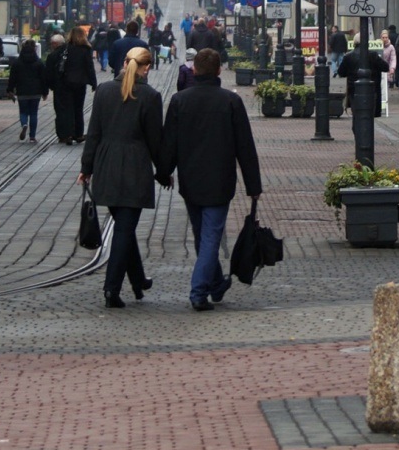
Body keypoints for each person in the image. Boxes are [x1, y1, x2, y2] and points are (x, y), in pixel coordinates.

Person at [157, 48, 262, 311]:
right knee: (210, 236)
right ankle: (199, 290)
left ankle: (215, 284)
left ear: (194, 70)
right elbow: (244, 147)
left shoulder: (180, 100)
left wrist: (164, 171)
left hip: (190, 180)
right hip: (219, 180)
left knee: (203, 235)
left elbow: (169, 142)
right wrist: (253, 186)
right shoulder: (230, 102)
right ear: (218, 71)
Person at [79, 47, 164, 308]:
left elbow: (93, 133)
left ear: (124, 63)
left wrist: (87, 168)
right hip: (135, 169)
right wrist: (163, 171)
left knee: (124, 228)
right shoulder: (150, 96)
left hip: (106, 166)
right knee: (124, 230)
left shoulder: (103, 91)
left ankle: (138, 280)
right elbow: (155, 140)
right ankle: (111, 289)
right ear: (146, 68)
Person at [56, 27, 98, 144]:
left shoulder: (66, 48)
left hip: (67, 81)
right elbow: (90, 67)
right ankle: (78, 134)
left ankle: (68, 134)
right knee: (78, 108)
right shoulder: (86, 49)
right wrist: (93, 82)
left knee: (68, 108)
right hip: (80, 83)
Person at [7, 38, 48, 143]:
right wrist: (45, 92)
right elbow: (44, 78)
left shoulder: (17, 63)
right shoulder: (39, 63)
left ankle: (24, 124)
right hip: (36, 92)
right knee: (34, 113)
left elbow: (12, 78)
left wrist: (10, 90)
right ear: (34, 49)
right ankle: (32, 137)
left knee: (23, 111)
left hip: (22, 91)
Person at [43, 34, 69, 140]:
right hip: (69, 85)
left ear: (55, 44)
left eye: (52, 43)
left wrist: (50, 86)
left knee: (59, 110)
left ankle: (62, 134)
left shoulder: (52, 56)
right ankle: (70, 132)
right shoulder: (69, 53)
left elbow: (48, 73)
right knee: (69, 109)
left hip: (58, 87)